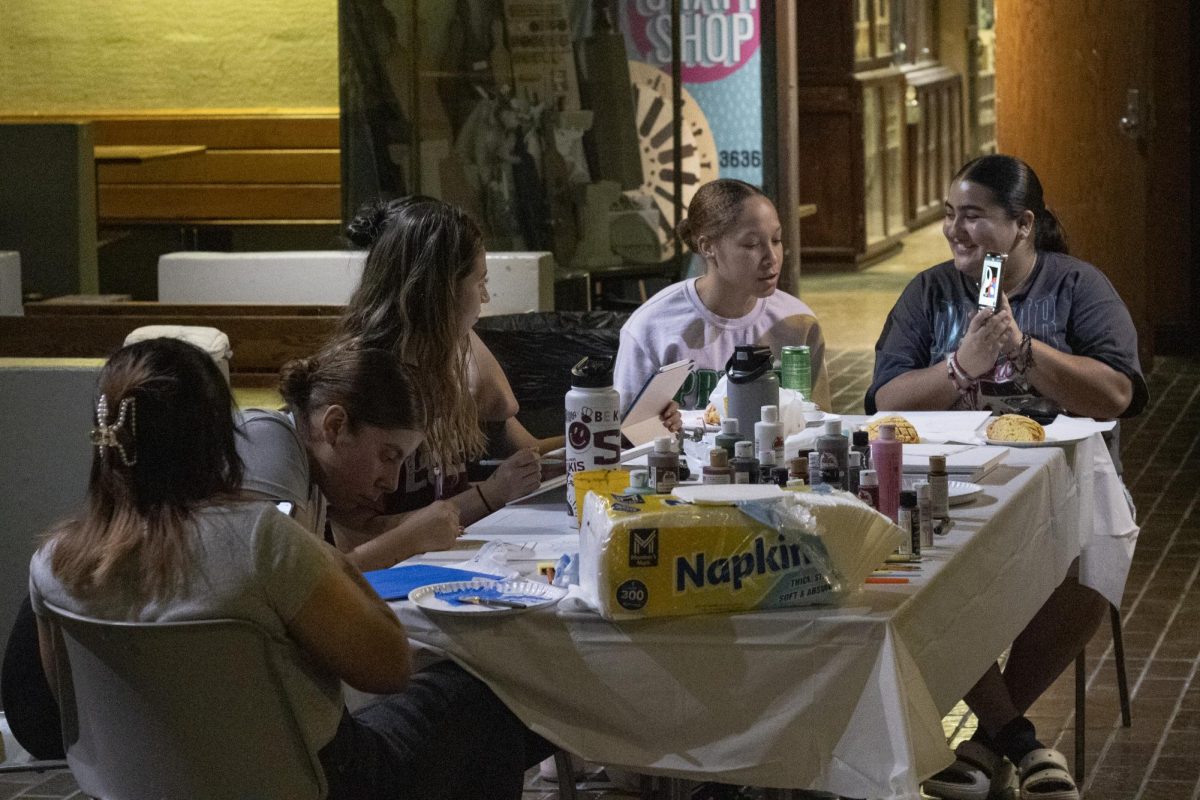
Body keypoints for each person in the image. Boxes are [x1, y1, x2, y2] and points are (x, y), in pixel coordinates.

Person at [28, 338, 551, 799]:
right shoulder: (260, 539)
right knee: (480, 696)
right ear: (215, 438)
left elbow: (71, 699)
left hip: (132, 786)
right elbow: (387, 668)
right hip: (315, 785)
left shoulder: (53, 562)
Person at [867, 154, 1148, 800]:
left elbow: (1116, 394)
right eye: (947, 216)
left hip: (1065, 487)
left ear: (1023, 225)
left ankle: (992, 737)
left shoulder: (1077, 286)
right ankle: (1017, 739)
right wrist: (961, 368)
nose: (954, 231)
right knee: (914, 571)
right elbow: (886, 399)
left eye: (973, 217)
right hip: (949, 484)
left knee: (1095, 554)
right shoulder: (930, 292)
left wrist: (1024, 351)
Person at [336, 196, 544, 525]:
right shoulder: (365, 379)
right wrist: (488, 495)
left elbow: (507, 413)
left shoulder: (441, 360)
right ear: (438, 291)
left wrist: (617, 439)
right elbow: (358, 534)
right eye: (480, 282)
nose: (486, 297)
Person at [614, 179, 832, 421]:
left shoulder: (796, 322)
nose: (772, 257)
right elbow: (625, 432)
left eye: (776, 240)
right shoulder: (653, 325)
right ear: (708, 247)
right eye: (751, 244)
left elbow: (820, 422)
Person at [238, 342, 463, 571]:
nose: (391, 483)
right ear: (335, 426)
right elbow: (291, 583)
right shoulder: (267, 442)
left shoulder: (315, 472)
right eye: (388, 456)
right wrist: (408, 540)